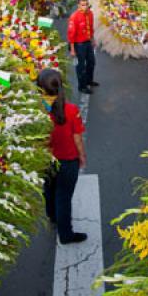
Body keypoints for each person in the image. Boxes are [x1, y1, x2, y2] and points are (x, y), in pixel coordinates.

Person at [37, 68, 87, 245]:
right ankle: (66, 235)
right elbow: (77, 138)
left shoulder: (38, 112)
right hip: (68, 160)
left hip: (46, 161)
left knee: (49, 190)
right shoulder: (71, 110)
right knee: (64, 197)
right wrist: (82, 156)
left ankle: (52, 216)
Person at [67, 0, 98, 94]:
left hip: (88, 42)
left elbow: (91, 28)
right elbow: (71, 34)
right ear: (78, 5)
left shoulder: (90, 14)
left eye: (86, 4)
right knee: (81, 66)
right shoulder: (74, 17)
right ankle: (82, 86)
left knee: (91, 62)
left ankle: (89, 80)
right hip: (79, 45)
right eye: (83, 5)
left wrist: (93, 40)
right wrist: (72, 49)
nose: (85, 7)